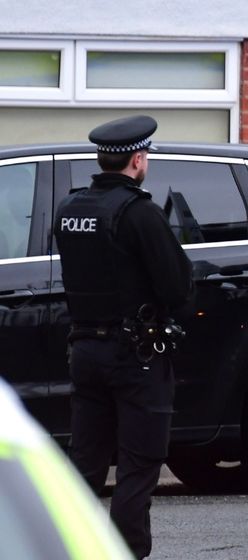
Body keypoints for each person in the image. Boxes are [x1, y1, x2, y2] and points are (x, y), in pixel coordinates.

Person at [54, 116, 193, 559]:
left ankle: (65, 545)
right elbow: (175, 288)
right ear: (137, 159)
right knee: (139, 461)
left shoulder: (70, 208)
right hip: (135, 356)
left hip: (85, 350)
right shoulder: (140, 213)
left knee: (86, 462)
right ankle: (126, 551)